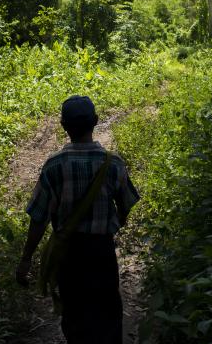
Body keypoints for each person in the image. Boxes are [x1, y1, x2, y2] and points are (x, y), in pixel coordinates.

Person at [15, 95, 140, 344]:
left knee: (74, 314)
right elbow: (126, 204)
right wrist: (116, 222)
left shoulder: (53, 166)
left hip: (68, 254)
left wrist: (26, 258)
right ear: (95, 121)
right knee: (107, 311)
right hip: (101, 250)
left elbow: (38, 218)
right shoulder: (113, 164)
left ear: (63, 125)